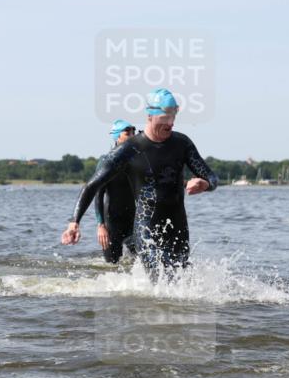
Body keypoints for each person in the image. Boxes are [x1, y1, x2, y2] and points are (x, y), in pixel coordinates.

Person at [61, 88, 218, 277]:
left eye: (174, 115)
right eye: (165, 117)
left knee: (181, 281)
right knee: (160, 283)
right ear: (150, 116)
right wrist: (74, 222)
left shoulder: (182, 143)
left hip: (178, 228)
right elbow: (93, 186)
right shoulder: (129, 149)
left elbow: (212, 177)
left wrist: (206, 184)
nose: (171, 122)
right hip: (147, 229)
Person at [95, 119, 138, 264]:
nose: (132, 135)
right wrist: (101, 226)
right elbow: (98, 195)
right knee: (112, 266)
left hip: (133, 220)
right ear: (117, 137)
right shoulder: (106, 161)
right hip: (112, 221)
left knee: (142, 262)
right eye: (127, 132)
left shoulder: (138, 160)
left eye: (133, 132)